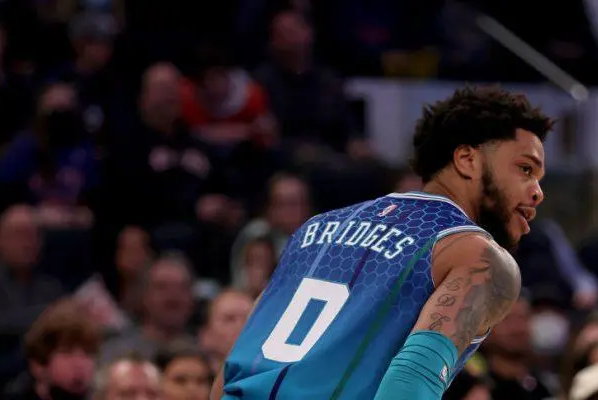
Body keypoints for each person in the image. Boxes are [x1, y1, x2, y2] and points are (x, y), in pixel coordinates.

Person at [212, 86, 552, 399]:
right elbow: (411, 381)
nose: (537, 192)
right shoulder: (477, 256)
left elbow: (232, 365)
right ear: (467, 159)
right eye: (525, 169)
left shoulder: (314, 228)